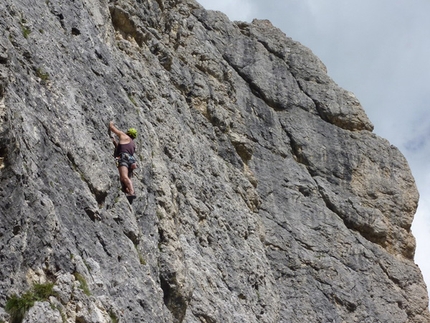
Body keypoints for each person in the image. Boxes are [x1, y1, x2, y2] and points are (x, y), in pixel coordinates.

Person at [109, 121, 138, 198]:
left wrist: (111, 123)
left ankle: (131, 192)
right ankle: (128, 191)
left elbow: (112, 128)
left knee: (124, 177)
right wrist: (115, 143)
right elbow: (122, 148)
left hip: (124, 158)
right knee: (127, 178)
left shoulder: (123, 135)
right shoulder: (133, 144)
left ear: (127, 132)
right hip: (131, 161)